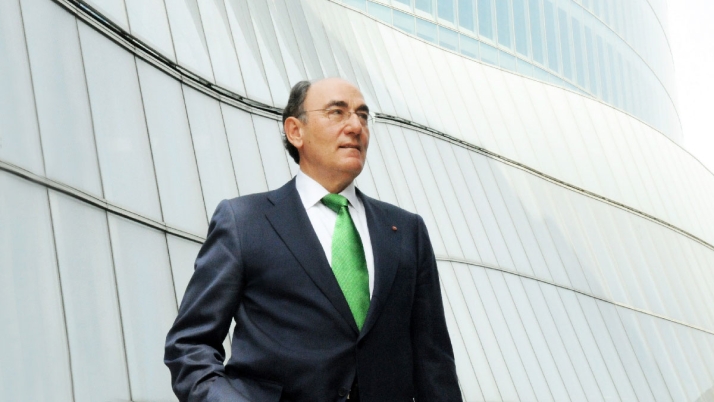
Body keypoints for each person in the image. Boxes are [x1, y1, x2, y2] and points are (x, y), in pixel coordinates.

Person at [164, 78, 461, 402]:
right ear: (295, 131)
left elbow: (434, 365)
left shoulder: (406, 231)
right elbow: (190, 345)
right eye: (337, 112)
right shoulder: (245, 222)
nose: (355, 126)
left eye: (363, 116)